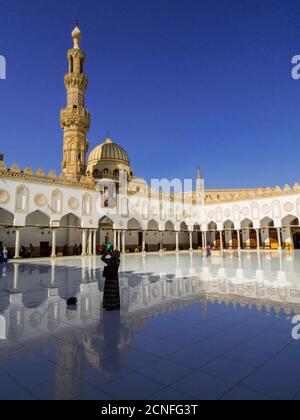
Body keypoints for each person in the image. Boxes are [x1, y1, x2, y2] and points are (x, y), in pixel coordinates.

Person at [101, 245, 121, 311]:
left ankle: (109, 305)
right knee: (114, 292)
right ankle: (115, 304)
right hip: (115, 277)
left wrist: (106, 253)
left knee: (109, 292)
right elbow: (115, 257)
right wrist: (112, 254)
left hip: (110, 277)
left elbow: (102, 258)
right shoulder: (118, 261)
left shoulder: (110, 260)